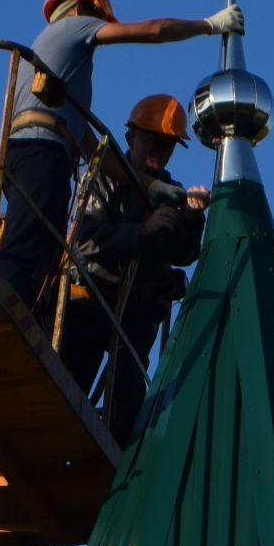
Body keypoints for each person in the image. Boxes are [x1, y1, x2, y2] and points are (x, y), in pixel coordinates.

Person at [0, 0, 240, 315]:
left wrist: (154, 187)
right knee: (26, 247)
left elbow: (94, 152)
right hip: (42, 154)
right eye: (101, 20)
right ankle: (7, 313)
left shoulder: (53, 69)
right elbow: (154, 31)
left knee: (42, 246)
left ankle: (27, 317)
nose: (104, 30)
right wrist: (209, 26)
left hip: (29, 153)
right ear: (81, 10)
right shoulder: (73, 28)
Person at [59, 95, 209, 442]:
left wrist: (192, 218)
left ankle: (116, 461)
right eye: (153, 139)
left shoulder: (170, 191)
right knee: (69, 386)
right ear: (131, 138)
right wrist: (140, 232)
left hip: (136, 310)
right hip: (91, 299)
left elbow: (185, 253)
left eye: (168, 144)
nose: (160, 149)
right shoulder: (104, 176)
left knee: (124, 406)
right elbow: (84, 241)